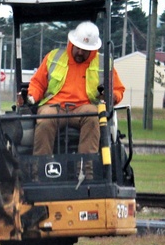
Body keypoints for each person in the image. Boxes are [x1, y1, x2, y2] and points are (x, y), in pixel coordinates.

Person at [25, 21, 125, 156]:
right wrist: (32, 96)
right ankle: (41, 169)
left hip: (85, 108)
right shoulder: (54, 57)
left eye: (85, 50)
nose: (80, 52)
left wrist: (112, 96)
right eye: (77, 47)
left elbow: (118, 89)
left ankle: (85, 171)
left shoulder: (104, 63)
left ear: (93, 49)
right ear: (72, 43)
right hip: (55, 107)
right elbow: (37, 83)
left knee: (93, 117)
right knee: (45, 120)